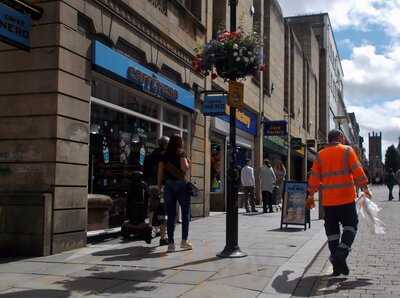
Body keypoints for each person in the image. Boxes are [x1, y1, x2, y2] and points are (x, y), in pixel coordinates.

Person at [307, 129, 371, 276]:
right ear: (340, 138)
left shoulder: (320, 155)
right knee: (351, 226)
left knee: (332, 233)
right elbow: (357, 171)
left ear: (329, 140)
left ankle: (337, 267)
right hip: (346, 199)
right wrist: (365, 188)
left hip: (329, 202)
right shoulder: (347, 151)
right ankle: (340, 254)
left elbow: (314, 177)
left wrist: (310, 194)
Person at [157, 134, 192, 252]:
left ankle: (171, 244)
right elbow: (184, 168)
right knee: (185, 213)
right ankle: (184, 241)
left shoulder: (164, 155)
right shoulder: (181, 152)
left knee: (171, 215)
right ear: (180, 142)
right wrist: (187, 162)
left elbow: (160, 171)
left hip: (168, 185)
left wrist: (159, 186)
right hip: (181, 184)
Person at [143, 136, 169, 246]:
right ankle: (163, 238)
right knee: (163, 211)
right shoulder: (166, 156)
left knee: (153, 207)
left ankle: (149, 228)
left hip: (151, 185)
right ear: (165, 144)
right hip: (162, 186)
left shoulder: (149, 156)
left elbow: (144, 172)